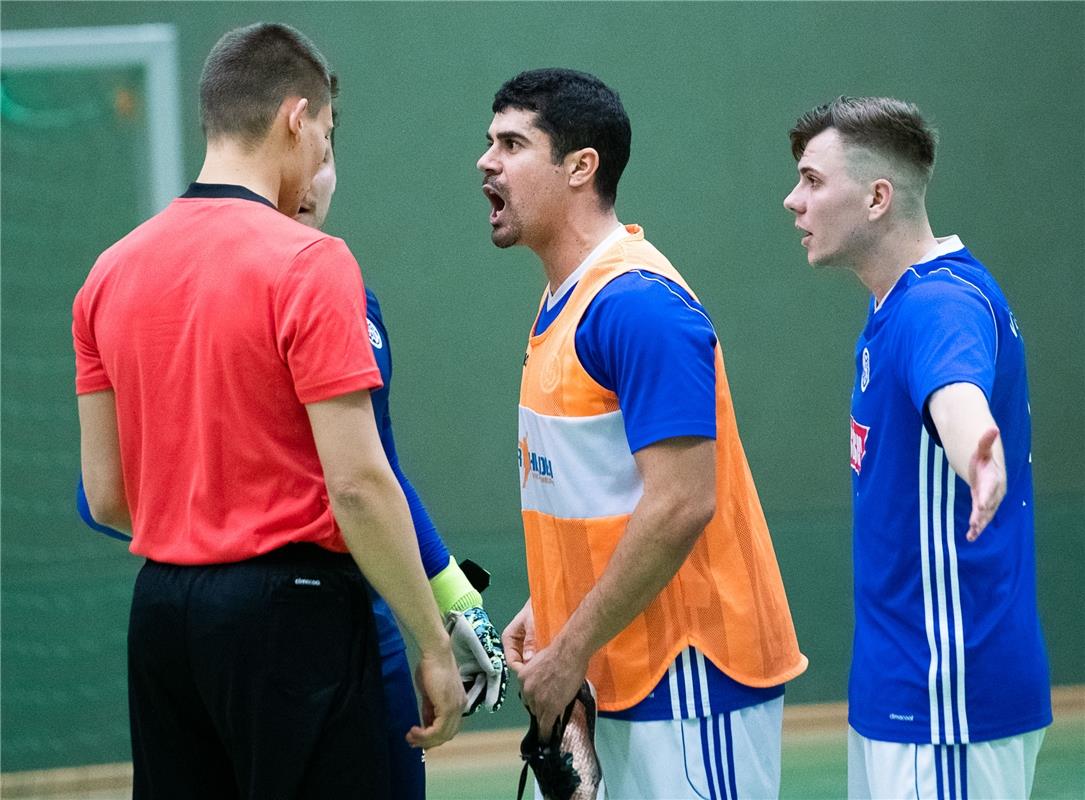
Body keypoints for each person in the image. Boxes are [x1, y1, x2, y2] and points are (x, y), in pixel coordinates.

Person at [73, 23, 466, 799]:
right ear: (297, 117)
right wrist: (433, 641)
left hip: (160, 618)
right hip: (293, 615)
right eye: (326, 134)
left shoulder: (107, 273)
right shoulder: (312, 263)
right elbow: (358, 483)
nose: (323, 158)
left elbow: (107, 494)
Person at [480, 68, 807, 799]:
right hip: (604, 671)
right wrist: (553, 607)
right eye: (489, 142)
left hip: (689, 679)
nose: (486, 161)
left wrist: (570, 646)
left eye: (511, 142)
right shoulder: (565, 302)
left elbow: (680, 503)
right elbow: (600, 492)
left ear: (579, 167)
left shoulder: (638, 306)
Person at [783, 96, 1051, 799]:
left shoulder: (938, 303)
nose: (792, 200)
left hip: (949, 698)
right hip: (899, 694)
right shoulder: (893, 306)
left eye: (812, 181)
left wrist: (977, 455)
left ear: (876, 197)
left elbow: (955, 394)